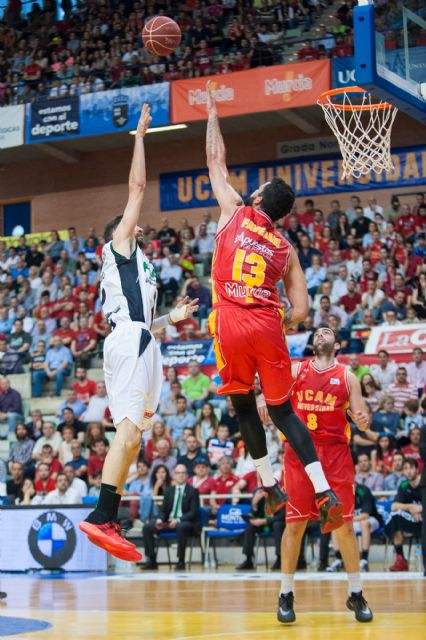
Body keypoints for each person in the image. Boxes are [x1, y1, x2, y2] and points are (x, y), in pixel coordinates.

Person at [205, 81, 342, 530]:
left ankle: (267, 484)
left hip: (229, 319)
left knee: (244, 407)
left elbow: (215, 160)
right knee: (283, 411)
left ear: (258, 199)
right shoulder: (286, 249)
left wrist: (211, 113)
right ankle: (323, 488)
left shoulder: (235, 210)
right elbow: (301, 310)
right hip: (267, 322)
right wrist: (272, 317)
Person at [79, 105, 198, 562]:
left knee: (135, 438)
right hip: (129, 342)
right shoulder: (119, 245)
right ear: (118, 236)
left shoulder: (140, 265)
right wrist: (140, 136)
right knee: (127, 434)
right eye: (131, 225)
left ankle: (107, 514)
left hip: (145, 339)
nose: (139, 225)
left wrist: (172, 319)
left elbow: (142, 319)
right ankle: (102, 514)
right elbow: (137, 187)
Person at [263, 327, 373, 624]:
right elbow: (273, 392)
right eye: (318, 332)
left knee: (344, 526)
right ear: (314, 343)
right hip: (300, 455)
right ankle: (285, 593)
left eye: (327, 332)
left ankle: (356, 592)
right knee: (295, 525)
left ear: (337, 344)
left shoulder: (348, 376)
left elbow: (362, 420)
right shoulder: (297, 369)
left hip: (335, 455)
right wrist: (263, 399)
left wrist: (363, 419)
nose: (320, 334)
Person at [142, 464, 200, 570]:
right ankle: (151, 560)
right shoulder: (169, 491)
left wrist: (178, 520)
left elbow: (193, 512)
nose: (181, 475)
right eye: (178, 473)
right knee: (147, 527)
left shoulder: (193, 491)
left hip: (186, 522)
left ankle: (181, 561)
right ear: (174, 475)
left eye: (183, 473)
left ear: (187, 475)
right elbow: (164, 511)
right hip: (168, 522)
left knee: (181, 527)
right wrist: (159, 520)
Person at [385, 458, 422, 571]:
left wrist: (420, 510)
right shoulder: (404, 485)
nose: (409, 471)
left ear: (417, 470)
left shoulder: (424, 482)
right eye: (406, 468)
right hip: (415, 520)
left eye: (411, 468)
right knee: (395, 516)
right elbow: (394, 506)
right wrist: (411, 508)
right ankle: (400, 559)